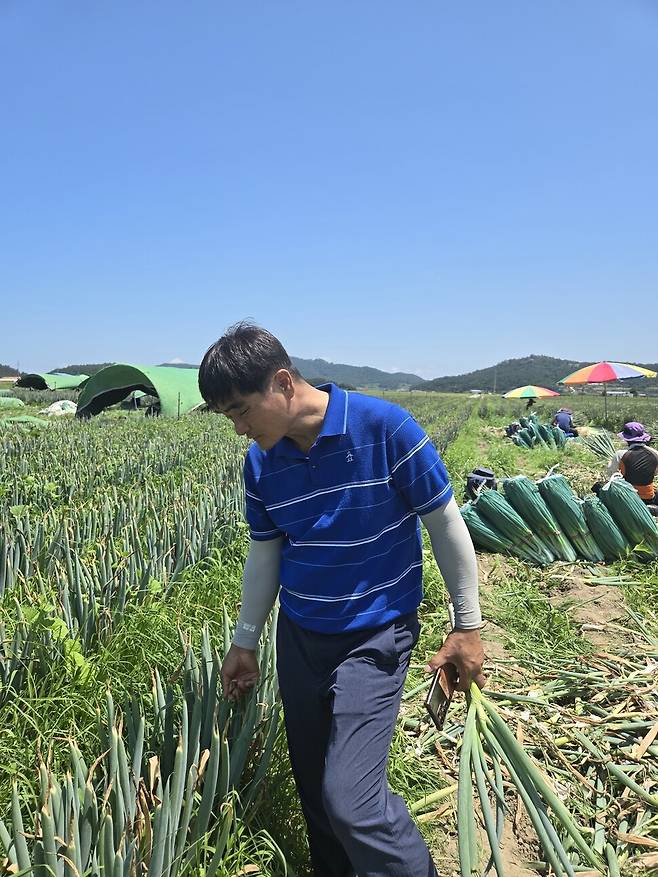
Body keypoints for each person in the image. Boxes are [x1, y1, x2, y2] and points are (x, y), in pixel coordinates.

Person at [198, 322, 485, 877]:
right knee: (315, 791)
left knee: (351, 798)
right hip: (301, 635)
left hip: (376, 635)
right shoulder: (261, 462)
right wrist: (246, 642)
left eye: (240, 411)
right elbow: (265, 554)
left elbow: (445, 524)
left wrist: (465, 626)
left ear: (282, 382)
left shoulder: (385, 428)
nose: (238, 429)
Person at [606, 422, 658, 504]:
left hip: (629, 497)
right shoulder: (655, 453)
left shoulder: (620, 454)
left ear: (626, 438)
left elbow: (610, 473)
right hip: (649, 496)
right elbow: (654, 473)